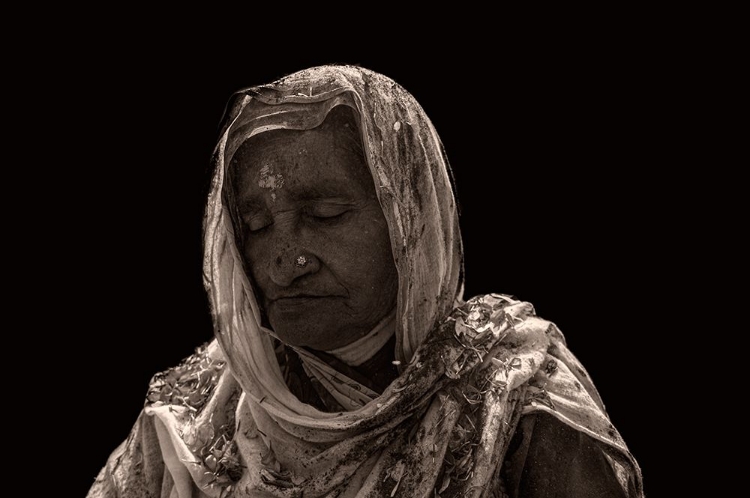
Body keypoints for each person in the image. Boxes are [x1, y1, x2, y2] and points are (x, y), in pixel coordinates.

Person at [86, 64, 644, 497]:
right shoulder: (199, 413)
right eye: (253, 227)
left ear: (411, 221)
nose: (283, 260)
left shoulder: (512, 407)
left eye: (325, 214)